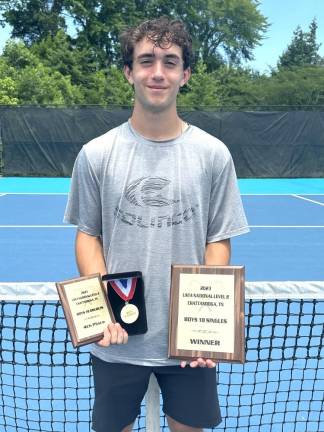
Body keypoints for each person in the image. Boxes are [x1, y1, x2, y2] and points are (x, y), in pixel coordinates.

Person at [64, 16, 249, 432]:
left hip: (189, 346)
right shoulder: (96, 154)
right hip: (118, 345)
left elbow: (218, 239)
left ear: (185, 75)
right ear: (129, 72)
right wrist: (104, 312)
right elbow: (88, 235)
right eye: (146, 60)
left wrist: (208, 327)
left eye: (170, 61)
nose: (158, 72)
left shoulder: (213, 154)